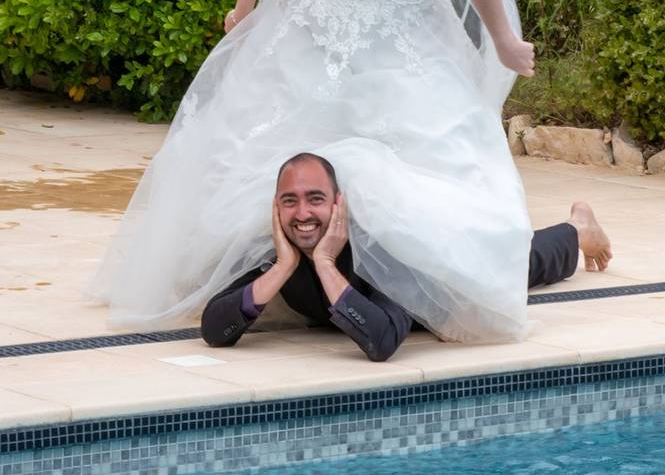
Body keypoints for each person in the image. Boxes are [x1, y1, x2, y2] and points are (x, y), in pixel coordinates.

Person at [86, 0, 613, 342]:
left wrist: (502, 39)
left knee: (453, 256)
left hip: (401, 52)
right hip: (299, 40)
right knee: (250, 185)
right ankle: (285, 284)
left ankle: (571, 232)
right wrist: (244, 11)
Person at [201, 153, 612, 361]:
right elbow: (215, 329)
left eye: (316, 200)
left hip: (435, 282)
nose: (303, 214)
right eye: (289, 202)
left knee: (517, 264)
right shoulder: (278, 249)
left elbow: (381, 342)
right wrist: (284, 267)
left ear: (339, 203)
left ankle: (577, 230)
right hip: (383, 300)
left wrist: (326, 263)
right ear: (275, 207)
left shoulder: (377, 248)